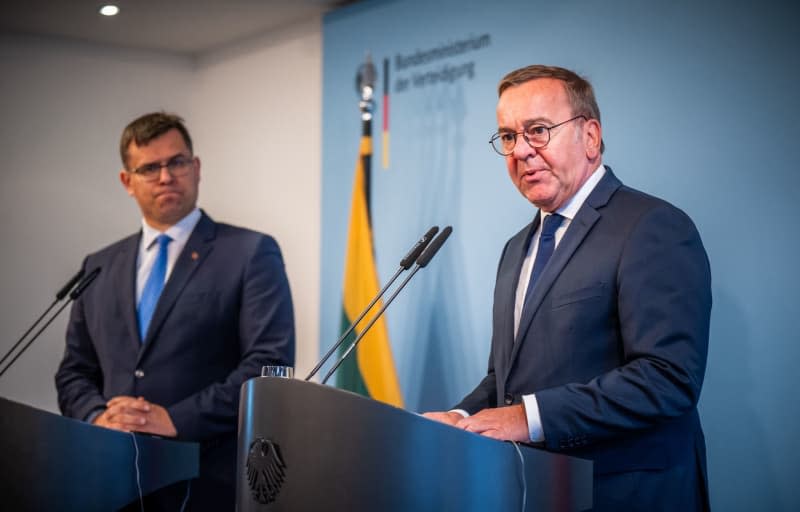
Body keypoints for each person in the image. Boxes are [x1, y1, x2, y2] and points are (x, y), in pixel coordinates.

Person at [424, 65, 711, 511]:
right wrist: (461, 418)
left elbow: (667, 377)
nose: (521, 151)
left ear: (590, 136)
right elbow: (506, 378)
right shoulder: (516, 248)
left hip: (626, 494)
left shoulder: (651, 226)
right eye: (507, 137)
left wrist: (527, 418)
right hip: (536, 492)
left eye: (538, 131)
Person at [55, 112, 295, 511]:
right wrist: (99, 416)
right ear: (127, 181)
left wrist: (174, 418)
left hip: (206, 480)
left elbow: (269, 365)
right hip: (110, 480)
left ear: (196, 168)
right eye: (149, 167)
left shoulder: (250, 253)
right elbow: (74, 371)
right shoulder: (98, 265)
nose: (166, 176)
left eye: (177, 162)